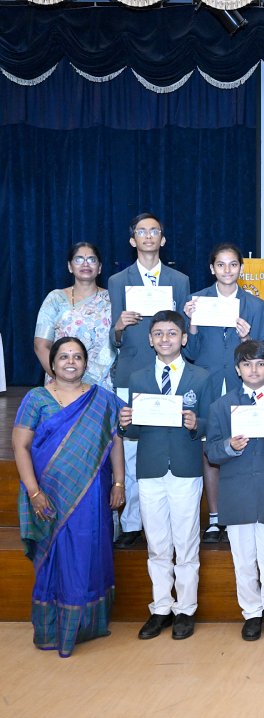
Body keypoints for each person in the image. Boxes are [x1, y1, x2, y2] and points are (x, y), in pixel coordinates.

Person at [12, 337, 125, 656]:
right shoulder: (36, 399)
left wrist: (119, 483)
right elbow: (20, 446)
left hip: (91, 494)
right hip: (48, 494)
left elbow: (115, 440)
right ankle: (53, 628)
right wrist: (34, 492)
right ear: (52, 363)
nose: (71, 362)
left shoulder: (102, 399)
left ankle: (87, 625)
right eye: (64, 357)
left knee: (88, 553)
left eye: (77, 357)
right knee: (55, 556)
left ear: (86, 364)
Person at [117, 310, 213, 641]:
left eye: (172, 333)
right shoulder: (139, 377)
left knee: (186, 542)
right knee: (157, 544)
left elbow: (212, 422)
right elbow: (135, 429)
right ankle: (160, 607)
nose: (165, 339)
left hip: (185, 469)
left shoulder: (201, 377)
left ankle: (185, 608)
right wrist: (125, 423)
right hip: (150, 469)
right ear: (150, 340)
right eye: (158, 334)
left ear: (184, 338)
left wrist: (197, 424)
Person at [205, 341, 264, 641]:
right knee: (244, 561)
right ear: (237, 370)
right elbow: (211, 452)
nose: (254, 370)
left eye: (260, 364)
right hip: (237, 494)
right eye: (247, 364)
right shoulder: (221, 406)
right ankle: (251, 613)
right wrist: (229, 446)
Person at [108, 213, 190, 549]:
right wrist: (119, 325)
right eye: (141, 231)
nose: (148, 236)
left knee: (165, 442)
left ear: (162, 239)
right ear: (133, 240)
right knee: (130, 447)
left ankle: (167, 520)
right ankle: (131, 523)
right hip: (132, 372)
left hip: (170, 372)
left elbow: (183, 328)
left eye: (154, 230)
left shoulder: (179, 280)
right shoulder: (118, 281)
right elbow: (113, 338)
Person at [183, 242, 264, 544]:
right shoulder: (197, 301)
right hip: (207, 380)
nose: (227, 270)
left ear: (241, 268)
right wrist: (192, 325)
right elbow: (190, 353)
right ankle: (215, 517)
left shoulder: (255, 305)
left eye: (233, 264)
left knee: (242, 444)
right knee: (210, 446)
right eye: (221, 264)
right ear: (212, 268)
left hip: (240, 383)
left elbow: (261, 352)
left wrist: (247, 337)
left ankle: (239, 512)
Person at [34, 241, 115, 391]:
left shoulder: (112, 299)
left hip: (103, 384)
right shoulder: (55, 299)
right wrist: (62, 380)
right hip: (61, 384)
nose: (85, 264)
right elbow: (41, 345)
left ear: (99, 268)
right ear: (70, 267)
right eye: (78, 259)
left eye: (91, 259)